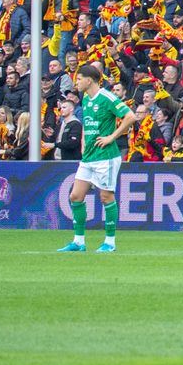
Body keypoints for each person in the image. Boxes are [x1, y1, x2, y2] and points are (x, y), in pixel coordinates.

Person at [59, 64, 138, 254]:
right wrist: (84, 142)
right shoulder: (86, 99)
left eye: (79, 79)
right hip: (89, 156)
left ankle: (110, 242)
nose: (76, 83)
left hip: (106, 156)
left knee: (106, 197)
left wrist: (112, 137)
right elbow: (88, 124)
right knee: (75, 196)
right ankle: (79, 242)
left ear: (89, 80)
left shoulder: (107, 97)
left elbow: (130, 116)